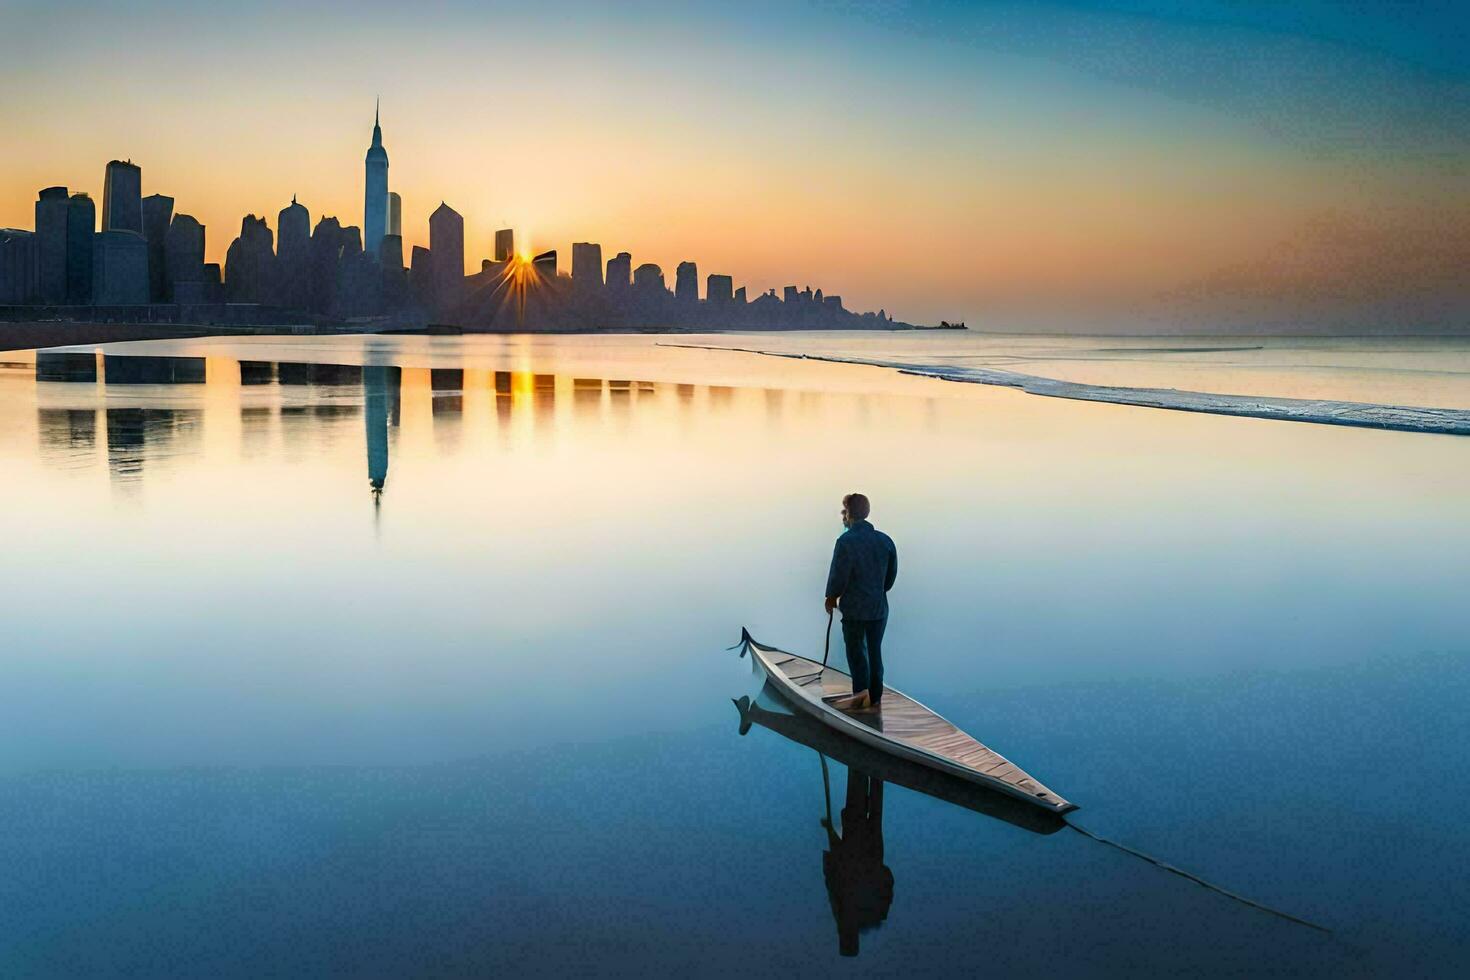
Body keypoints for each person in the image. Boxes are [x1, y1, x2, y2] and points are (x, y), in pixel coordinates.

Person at [823, 492, 897, 712]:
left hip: (855, 610)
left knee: (856, 653)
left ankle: (860, 695)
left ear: (849, 515)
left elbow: (839, 575)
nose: (842, 516)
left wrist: (831, 598)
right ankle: (875, 697)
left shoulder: (845, 542)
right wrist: (875, 591)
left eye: (844, 511)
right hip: (878, 609)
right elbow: (890, 579)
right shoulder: (885, 541)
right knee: (875, 652)